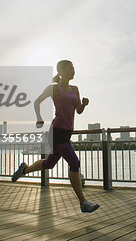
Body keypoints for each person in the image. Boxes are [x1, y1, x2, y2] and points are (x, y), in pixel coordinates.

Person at [12, 60, 100, 213]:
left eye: (74, 68)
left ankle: (24, 170)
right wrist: (39, 118)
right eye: (69, 68)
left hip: (67, 132)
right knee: (74, 162)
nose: (73, 71)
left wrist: (84, 104)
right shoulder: (53, 89)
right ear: (60, 71)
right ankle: (83, 202)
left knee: (49, 163)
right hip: (57, 131)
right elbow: (37, 102)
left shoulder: (75, 89)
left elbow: (78, 110)